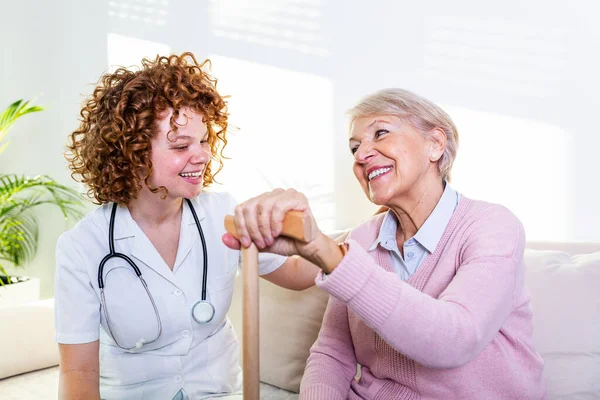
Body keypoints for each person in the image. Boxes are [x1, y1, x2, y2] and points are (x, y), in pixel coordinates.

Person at [223, 88, 546, 399]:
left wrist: (324, 250)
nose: (361, 155)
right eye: (354, 147)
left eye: (380, 134)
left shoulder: (492, 226)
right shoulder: (362, 239)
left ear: (435, 144)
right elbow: (332, 355)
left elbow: (455, 339)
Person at [54, 52, 319, 400]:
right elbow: (78, 373)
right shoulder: (82, 247)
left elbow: (300, 275)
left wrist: (317, 231)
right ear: (130, 153)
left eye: (205, 140)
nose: (203, 155)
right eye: (181, 145)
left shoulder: (222, 214)